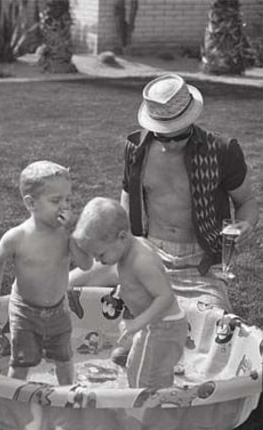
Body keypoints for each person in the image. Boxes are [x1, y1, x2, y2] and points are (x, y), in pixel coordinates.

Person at [69, 73, 259, 361]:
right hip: (145, 253)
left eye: (177, 135)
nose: (168, 143)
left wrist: (246, 223)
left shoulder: (221, 151)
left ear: (190, 121)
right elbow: (126, 202)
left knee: (216, 335)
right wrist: (123, 249)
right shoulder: (137, 149)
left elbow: (246, 201)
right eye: (162, 134)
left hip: (200, 265)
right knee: (63, 285)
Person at [0, 161, 91, 385]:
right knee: (21, 363)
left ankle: (68, 396)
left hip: (58, 311)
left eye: (67, 199)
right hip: (25, 313)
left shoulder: (65, 235)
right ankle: (13, 403)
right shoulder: (18, 237)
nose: (64, 206)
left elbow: (85, 265)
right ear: (31, 203)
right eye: (56, 200)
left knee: (64, 359)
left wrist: (71, 235)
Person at [73, 197, 188, 388]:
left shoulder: (140, 261)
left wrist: (138, 323)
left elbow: (165, 296)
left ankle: (150, 413)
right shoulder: (127, 251)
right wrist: (123, 290)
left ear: (122, 237)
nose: (99, 261)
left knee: (142, 377)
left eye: (101, 255)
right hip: (155, 326)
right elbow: (135, 282)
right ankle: (162, 379)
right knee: (143, 368)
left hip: (162, 327)